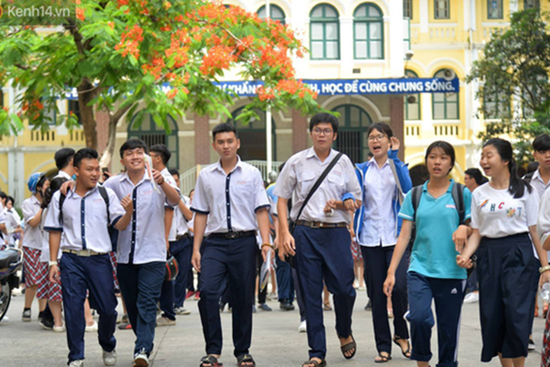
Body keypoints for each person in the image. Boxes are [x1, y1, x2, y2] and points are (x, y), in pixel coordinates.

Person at [275, 113, 362, 367]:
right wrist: (285, 233)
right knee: (310, 294)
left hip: (336, 232)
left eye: (326, 130)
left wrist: (342, 203)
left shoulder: (343, 162)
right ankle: (316, 352)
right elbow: (281, 198)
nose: (321, 134)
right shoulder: (297, 162)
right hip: (304, 233)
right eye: (317, 130)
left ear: (334, 135)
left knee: (345, 289)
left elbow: (356, 200)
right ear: (311, 133)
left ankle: (343, 329)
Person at [457, 138, 548, 366]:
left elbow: (534, 231)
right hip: (489, 255)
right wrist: (466, 255)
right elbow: (476, 232)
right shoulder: (479, 194)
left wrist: (545, 267)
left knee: (516, 316)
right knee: (494, 316)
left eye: (489, 156)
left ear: (505, 160)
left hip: (519, 254)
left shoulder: (525, 190)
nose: (484, 161)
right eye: (483, 157)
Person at [384, 140, 471, 367]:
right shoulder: (415, 195)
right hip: (420, 269)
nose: (437, 162)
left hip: (453, 271)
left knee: (448, 329)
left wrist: (466, 227)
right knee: (420, 318)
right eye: (432, 157)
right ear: (426, 161)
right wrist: (392, 271)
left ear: (451, 163)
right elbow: (404, 236)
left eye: (443, 157)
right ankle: (422, 361)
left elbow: (475, 228)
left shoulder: (462, 194)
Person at [191, 123, 271, 367]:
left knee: (243, 297)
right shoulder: (205, 176)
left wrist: (266, 242)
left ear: (238, 143)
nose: (225, 145)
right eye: (221, 142)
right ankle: (213, 351)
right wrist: (196, 248)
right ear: (215, 145)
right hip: (214, 244)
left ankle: (242, 351)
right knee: (207, 292)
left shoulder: (251, 174)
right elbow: (201, 214)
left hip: (245, 242)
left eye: (230, 141)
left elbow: (261, 210)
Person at [45, 148, 132, 367]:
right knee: (73, 310)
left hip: (99, 260)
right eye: (89, 169)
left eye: (98, 170)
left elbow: (119, 224)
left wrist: (129, 212)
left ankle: (107, 343)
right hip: (71, 259)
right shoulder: (61, 196)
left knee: (108, 309)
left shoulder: (106, 195)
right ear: (76, 170)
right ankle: (76, 356)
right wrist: (53, 262)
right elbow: (55, 230)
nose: (95, 174)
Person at [104, 139, 180, 367]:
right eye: (130, 154)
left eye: (139, 153)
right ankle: (143, 341)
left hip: (153, 255)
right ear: (122, 160)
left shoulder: (158, 179)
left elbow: (175, 200)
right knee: (133, 304)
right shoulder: (114, 184)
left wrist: (163, 183)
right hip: (125, 256)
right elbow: (113, 218)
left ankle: (143, 349)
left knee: (147, 302)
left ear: (146, 156)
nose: (135, 157)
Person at [353, 122, 412, 363]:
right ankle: (383, 346)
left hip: (395, 236)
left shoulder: (397, 167)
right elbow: (352, 192)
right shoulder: (360, 170)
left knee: (398, 287)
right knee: (377, 293)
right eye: (372, 138)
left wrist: (396, 158)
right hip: (369, 237)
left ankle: (401, 332)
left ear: (390, 141)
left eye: (380, 137)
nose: (375, 141)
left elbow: (407, 191)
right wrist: (347, 198)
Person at [150, 144, 181, 327]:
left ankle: (168, 313)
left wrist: (165, 238)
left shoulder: (166, 179)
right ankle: (166, 311)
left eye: (150, 156)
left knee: (166, 276)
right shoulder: (157, 177)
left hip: (164, 237)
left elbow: (168, 211)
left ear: (158, 159)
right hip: (163, 236)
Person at [21, 173, 49, 323]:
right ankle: (27, 308)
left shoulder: (51, 202)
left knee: (43, 278)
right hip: (32, 245)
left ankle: (42, 311)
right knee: (33, 280)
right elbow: (33, 223)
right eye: (46, 185)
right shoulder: (28, 203)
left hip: (45, 244)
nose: (49, 187)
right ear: (38, 188)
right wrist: (43, 206)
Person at [168, 169, 194, 315]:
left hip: (183, 240)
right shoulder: (162, 198)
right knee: (168, 275)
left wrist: (177, 200)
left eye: (176, 181)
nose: (174, 183)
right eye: (171, 181)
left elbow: (190, 216)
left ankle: (178, 304)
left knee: (182, 273)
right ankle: (167, 304)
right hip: (168, 241)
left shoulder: (184, 199)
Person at [461, 168, 488, 305]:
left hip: (482, 235)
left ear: (473, 179)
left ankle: (475, 289)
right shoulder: (470, 193)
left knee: (476, 261)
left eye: (466, 178)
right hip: (472, 234)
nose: (464, 181)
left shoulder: (481, 192)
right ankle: (473, 288)